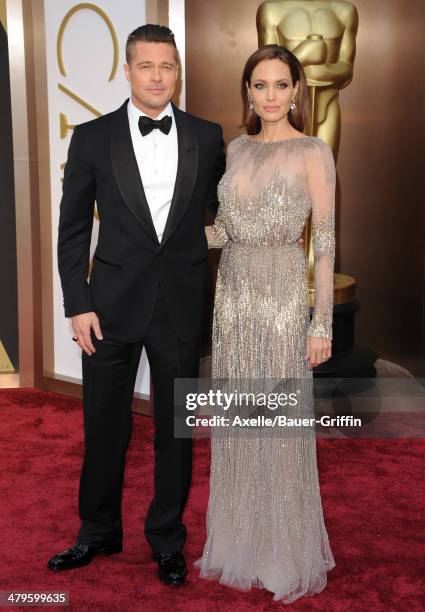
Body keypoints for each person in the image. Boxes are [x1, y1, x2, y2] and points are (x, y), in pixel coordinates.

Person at [48, 24, 225, 586]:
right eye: (146, 66)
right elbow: (73, 228)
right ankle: (97, 531)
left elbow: (226, 213)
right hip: (108, 307)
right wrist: (77, 302)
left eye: (167, 66)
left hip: (180, 304)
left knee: (176, 430)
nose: (157, 77)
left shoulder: (207, 135)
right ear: (127, 71)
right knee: (104, 426)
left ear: (178, 71)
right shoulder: (92, 138)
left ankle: (167, 540)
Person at [195, 44, 336, 603]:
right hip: (231, 298)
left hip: (280, 299)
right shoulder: (235, 148)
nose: (271, 96)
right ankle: (239, 545)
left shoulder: (313, 151)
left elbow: (323, 245)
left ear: (297, 90)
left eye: (281, 85)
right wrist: (163, 236)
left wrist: (319, 323)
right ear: (247, 92)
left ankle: (282, 549)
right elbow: (223, 231)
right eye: (261, 85)